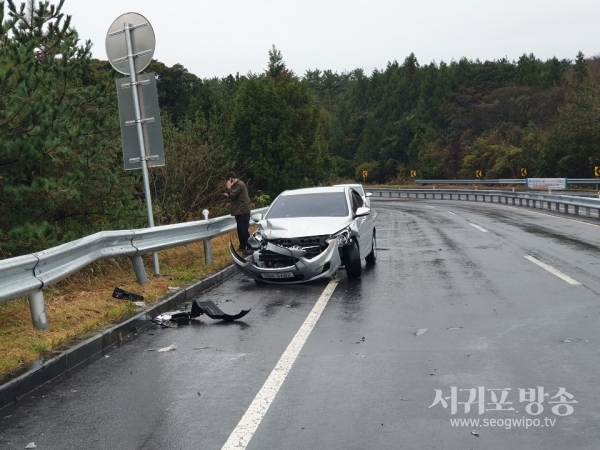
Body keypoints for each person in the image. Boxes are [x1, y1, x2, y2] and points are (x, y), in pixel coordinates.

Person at [222, 172, 252, 255]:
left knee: (244, 231)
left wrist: (229, 187)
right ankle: (242, 247)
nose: (227, 183)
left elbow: (232, 195)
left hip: (242, 212)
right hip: (239, 212)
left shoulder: (239, 184)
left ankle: (250, 247)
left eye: (228, 181)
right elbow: (233, 196)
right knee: (240, 230)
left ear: (231, 179)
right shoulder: (237, 185)